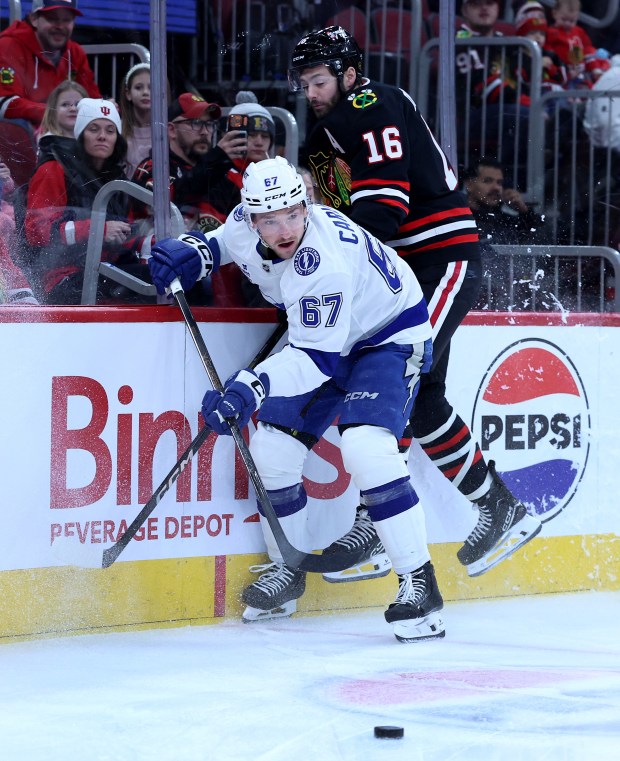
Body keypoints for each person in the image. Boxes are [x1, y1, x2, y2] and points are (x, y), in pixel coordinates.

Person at [148, 156, 445, 643]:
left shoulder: (321, 264)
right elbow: (228, 242)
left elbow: (314, 362)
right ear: (251, 215)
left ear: (305, 206)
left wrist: (251, 386)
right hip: (326, 339)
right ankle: (289, 569)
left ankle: (420, 584)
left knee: (368, 449)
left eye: (291, 214)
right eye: (269, 220)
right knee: (271, 450)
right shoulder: (247, 222)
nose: (283, 229)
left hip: (386, 337)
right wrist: (198, 251)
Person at [289, 26, 541, 590]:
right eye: (304, 83)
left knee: (395, 380)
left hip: (438, 261)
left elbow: (382, 209)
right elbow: (338, 220)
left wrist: (335, 273)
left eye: (319, 79)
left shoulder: (370, 103)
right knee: (423, 399)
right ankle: (500, 509)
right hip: (401, 272)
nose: (311, 92)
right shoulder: (325, 133)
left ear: (350, 74)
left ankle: (376, 522)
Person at [24, 97, 152, 304]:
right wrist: (98, 229)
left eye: (110, 131)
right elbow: (36, 232)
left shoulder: (118, 181)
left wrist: (152, 242)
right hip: (58, 277)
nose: (102, 136)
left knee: (165, 277)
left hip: (101, 269)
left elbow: (123, 234)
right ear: (81, 133)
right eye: (93, 128)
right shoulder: (54, 168)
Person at [131, 92, 249, 306]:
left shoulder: (221, 170)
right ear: (171, 130)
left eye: (209, 125)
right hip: (161, 271)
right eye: (195, 124)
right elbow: (166, 200)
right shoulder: (152, 167)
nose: (205, 132)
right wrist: (216, 160)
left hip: (214, 272)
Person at [463, 156, 549, 309]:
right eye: (488, 181)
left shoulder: (505, 221)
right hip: (468, 302)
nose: (496, 188)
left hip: (507, 303)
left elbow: (544, 237)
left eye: (500, 183)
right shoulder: (458, 219)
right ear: (469, 184)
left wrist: (524, 211)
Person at [0, 0, 100, 129]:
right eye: (52, 19)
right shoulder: (8, 46)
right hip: (27, 138)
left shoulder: (75, 52)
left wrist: (104, 107)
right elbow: (4, 104)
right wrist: (55, 113)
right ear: (34, 18)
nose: (60, 26)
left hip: (63, 135)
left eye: (67, 20)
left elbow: (93, 98)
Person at [545, 0, 610, 88]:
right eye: (563, 19)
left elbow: (588, 50)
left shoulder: (579, 31)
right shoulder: (551, 33)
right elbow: (548, 53)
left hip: (581, 73)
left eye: (572, 21)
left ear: (577, 17)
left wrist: (595, 68)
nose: (567, 23)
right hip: (563, 75)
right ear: (555, 13)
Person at [119, 62, 152, 179]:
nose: (145, 92)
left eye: (151, 87)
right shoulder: (118, 129)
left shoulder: (168, 130)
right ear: (128, 94)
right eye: (138, 87)